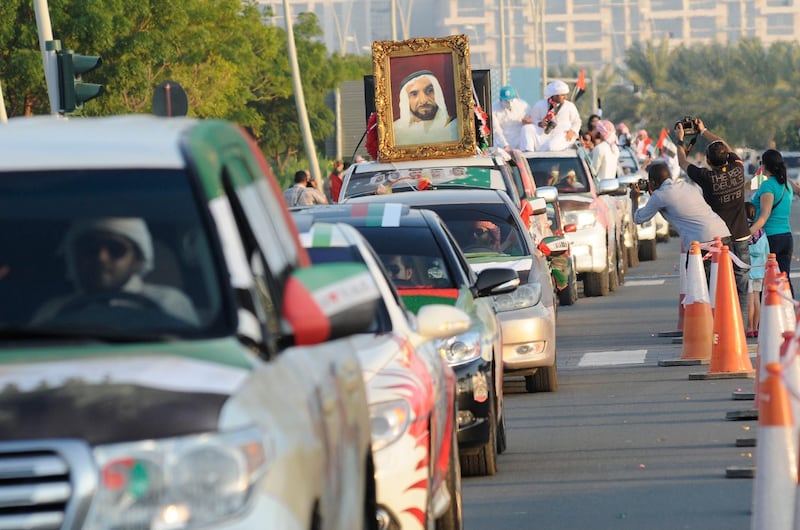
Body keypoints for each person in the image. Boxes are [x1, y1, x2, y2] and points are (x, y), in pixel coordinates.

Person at [32, 217, 200, 326]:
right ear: (75, 258)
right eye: (91, 249)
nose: (102, 258)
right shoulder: (52, 311)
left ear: (138, 260)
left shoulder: (169, 303)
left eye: (115, 249)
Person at [675, 118, 750, 324]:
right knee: (742, 285)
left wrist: (680, 140)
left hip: (718, 239)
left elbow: (682, 163)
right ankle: (739, 330)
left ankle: (718, 326)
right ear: (728, 157)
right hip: (742, 234)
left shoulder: (706, 177)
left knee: (716, 284)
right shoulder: (738, 169)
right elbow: (725, 145)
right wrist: (704, 131)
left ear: (708, 160)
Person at [632, 162, 731, 283]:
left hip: (703, 242)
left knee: (700, 287)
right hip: (723, 234)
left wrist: (634, 199)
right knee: (724, 284)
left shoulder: (659, 196)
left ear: (652, 182)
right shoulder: (686, 186)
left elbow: (638, 218)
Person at [749, 148, 794, 296]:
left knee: (766, 282)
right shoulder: (786, 184)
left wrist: (747, 233)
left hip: (770, 239)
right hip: (786, 237)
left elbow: (764, 215)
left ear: (763, 166)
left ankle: (769, 316)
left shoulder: (768, 186)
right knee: (784, 279)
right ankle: (790, 314)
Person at [393, 70, 458, 145]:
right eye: (414, 94)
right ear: (406, 100)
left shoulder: (455, 126)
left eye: (430, 91)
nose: (423, 101)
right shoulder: (395, 131)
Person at [530, 80, 582, 152]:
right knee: (527, 128)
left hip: (563, 135)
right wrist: (540, 123)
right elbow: (533, 120)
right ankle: (527, 154)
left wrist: (572, 131)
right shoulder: (540, 105)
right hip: (545, 134)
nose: (565, 97)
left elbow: (577, 122)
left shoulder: (569, 106)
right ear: (554, 95)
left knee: (552, 147)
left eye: (565, 95)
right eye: (562, 95)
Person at [745, 202, 769, 338]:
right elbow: (767, 251)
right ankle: (755, 328)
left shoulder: (743, 231)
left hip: (748, 270)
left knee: (749, 301)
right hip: (760, 270)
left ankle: (749, 328)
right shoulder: (761, 231)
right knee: (756, 300)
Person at [491, 85, 536, 152]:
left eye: (511, 100)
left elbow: (534, 120)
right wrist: (504, 144)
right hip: (502, 143)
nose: (510, 103)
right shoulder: (494, 108)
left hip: (520, 141)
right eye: (507, 101)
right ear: (500, 99)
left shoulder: (523, 105)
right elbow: (496, 130)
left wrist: (530, 121)